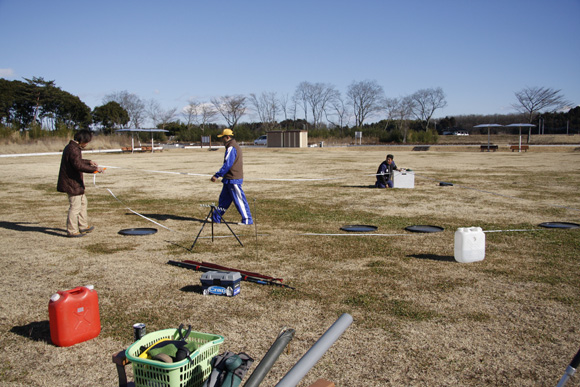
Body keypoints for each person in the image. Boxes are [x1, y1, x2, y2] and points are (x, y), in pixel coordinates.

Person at [57, 130, 104, 237]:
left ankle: (83, 226)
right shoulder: (73, 149)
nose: (87, 144)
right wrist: (95, 169)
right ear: (82, 140)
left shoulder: (73, 147)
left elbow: (77, 161)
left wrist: (89, 162)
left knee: (83, 203)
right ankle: (72, 230)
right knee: (75, 207)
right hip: (71, 183)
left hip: (76, 184)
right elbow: (78, 165)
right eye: (87, 142)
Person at [210, 128, 253, 225]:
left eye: (223, 138)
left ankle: (247, 220)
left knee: (239, 199)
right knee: (223, 200)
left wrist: (217, 175)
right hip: (228, 179)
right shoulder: (231, 146)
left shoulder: (232, 147)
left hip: (233, 178)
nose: (222, 140)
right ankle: (216, 218)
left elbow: (228, 164)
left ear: (227, 137)